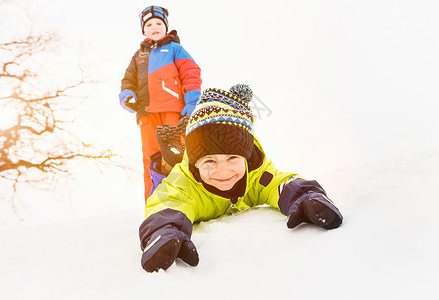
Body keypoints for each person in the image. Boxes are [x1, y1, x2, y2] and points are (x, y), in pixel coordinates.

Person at [138, 84, 344, 273]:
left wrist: (307, 196)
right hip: (179, 168)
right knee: (165, 174)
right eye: (209, 161)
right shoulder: (185, 185)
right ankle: (171, 153)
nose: (223, 171)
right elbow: (167, 203)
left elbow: (280, 183)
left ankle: (183, 143)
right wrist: (164, 232)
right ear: (195, 163)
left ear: (245, 156)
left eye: (232, 157)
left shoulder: (255, 175)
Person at [119, 6, 202, 202]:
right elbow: (128, 81)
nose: (154, 27)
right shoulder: (138, 56)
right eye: (149, 24)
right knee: (151, 158)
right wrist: (127, 96)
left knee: (176, 153)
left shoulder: (175, 49)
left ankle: (184, 198)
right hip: (147, 115)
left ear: (166, 27)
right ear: (143, 30)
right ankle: (154, 202)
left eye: (158, 23)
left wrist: (190, 103)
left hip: (173, 110)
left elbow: (191, 74)